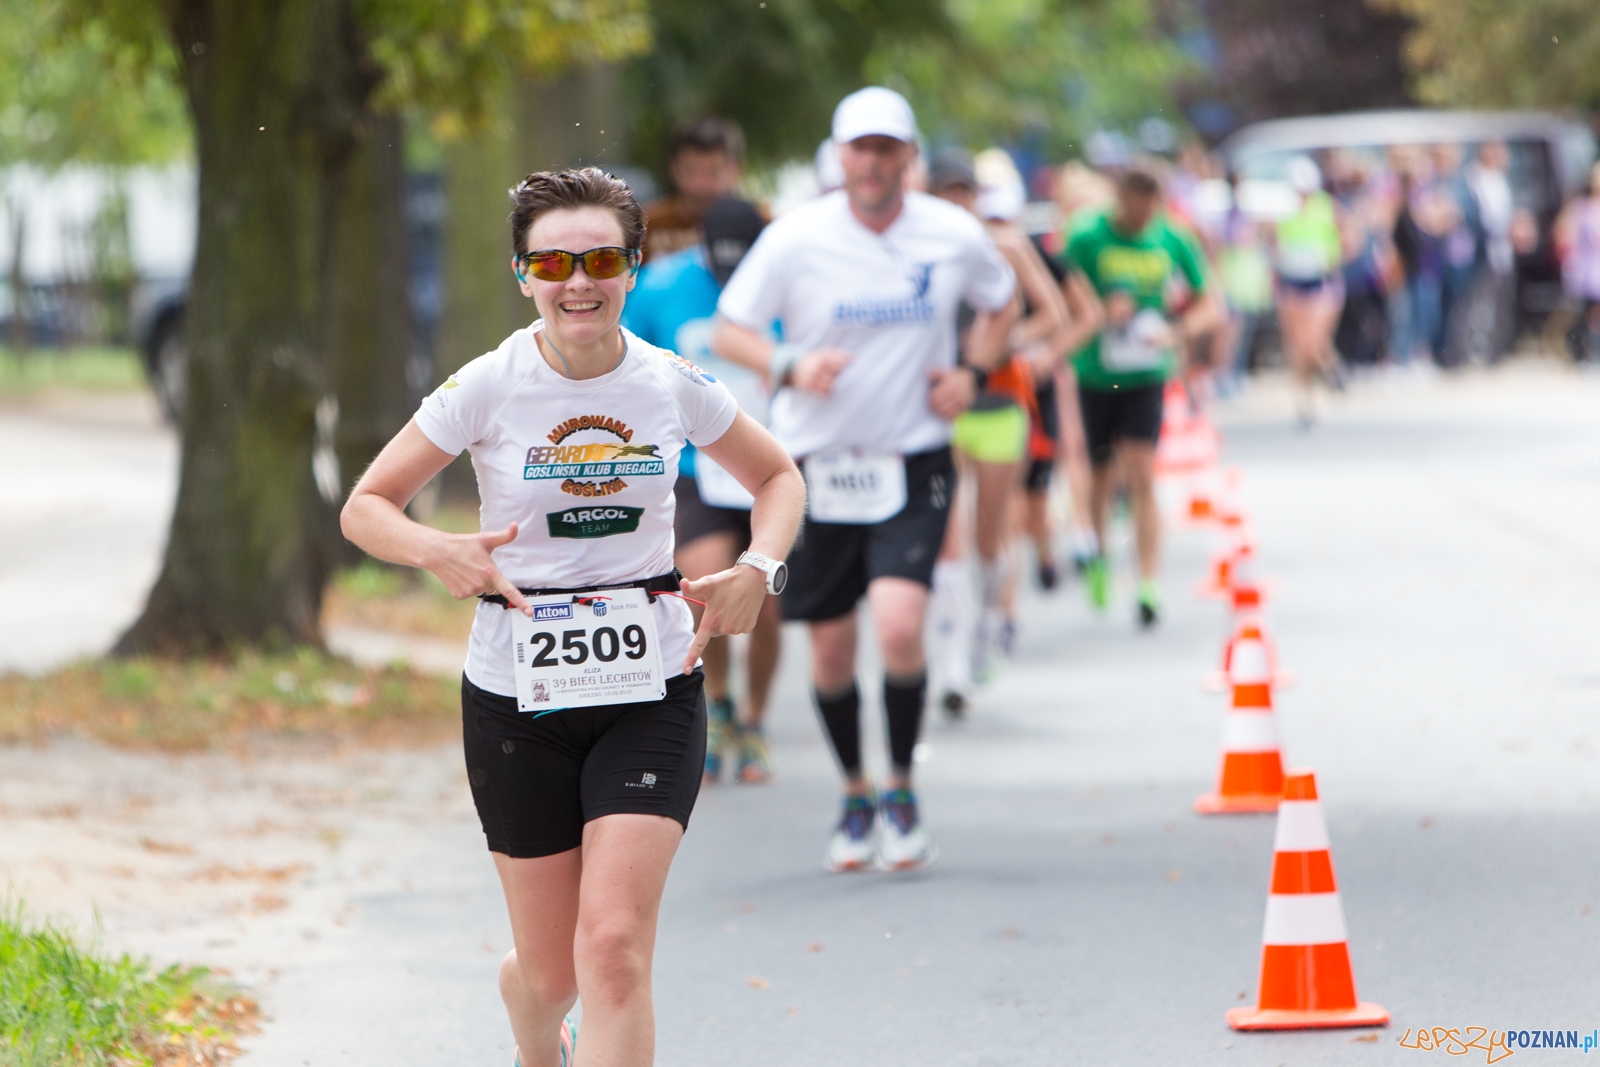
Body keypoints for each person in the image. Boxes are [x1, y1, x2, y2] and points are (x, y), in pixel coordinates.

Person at [340, 168, 804, 1067]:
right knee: (552, 974)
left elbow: (778, 477)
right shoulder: (485, 385)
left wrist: (759, 565)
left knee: (614, 954)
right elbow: (367, 504)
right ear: (523, 275)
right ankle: (534, 1038)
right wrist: (438, 549)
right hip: (518, 699)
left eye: (600, 258)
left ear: (632, 267)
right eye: (553, 261)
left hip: (653, 685)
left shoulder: (672, 383)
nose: (578, 281)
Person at [712, 87, 1017, 871]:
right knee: (835, 652)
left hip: (912, 458)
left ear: (909, 157)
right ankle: (855, 791)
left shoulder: (951, 233)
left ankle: (903, 784)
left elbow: (1002, 301)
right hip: (817, 466)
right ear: (841, 157)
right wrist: (790, 362)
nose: (874, 162)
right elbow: (729, 327)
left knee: (900, 627)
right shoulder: (796, 238)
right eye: (861, 148)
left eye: (889, 149)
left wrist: (973, 372)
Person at [621, 196, 783, 783]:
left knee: (765, 608)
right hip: (692, 468)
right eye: (719, 265)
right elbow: (626, 360)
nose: (729, 277)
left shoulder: (785, 282)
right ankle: (719, 704)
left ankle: (757, 720)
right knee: (705, 589)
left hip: (764, 464)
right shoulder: (663, 286)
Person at [1065, 167, 1222, 627]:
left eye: (1149, 207)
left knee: (1142, 473)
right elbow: (1059, 293)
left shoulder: (1172, 238)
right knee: (1101, 472)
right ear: (1120, 199)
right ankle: (1096, 552)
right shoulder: (1087, 237)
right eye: (1134, 206)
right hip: (1097, 372)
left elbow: (1210, 303)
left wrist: (1176, 331)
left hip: (1146, 372)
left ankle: (1148, 582)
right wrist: (1099, 309)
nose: (1141, 215)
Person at [1273, 155, 1348, 425]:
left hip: (1320, 282)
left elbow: (1348, 240)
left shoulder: (1328, 209)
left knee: (1313, 345)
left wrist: (1331, 258)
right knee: (1297, 349)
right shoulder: (1285, 213)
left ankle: (1333, 370)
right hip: (1293, 283)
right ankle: (1305, 403)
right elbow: (1277, 244)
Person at [642, 117, 749, 263]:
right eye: (690, 172)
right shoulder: (645, 226)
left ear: (736, 169)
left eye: (713, 172)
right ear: (673, 168)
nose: (700, 185)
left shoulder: (762, 228)